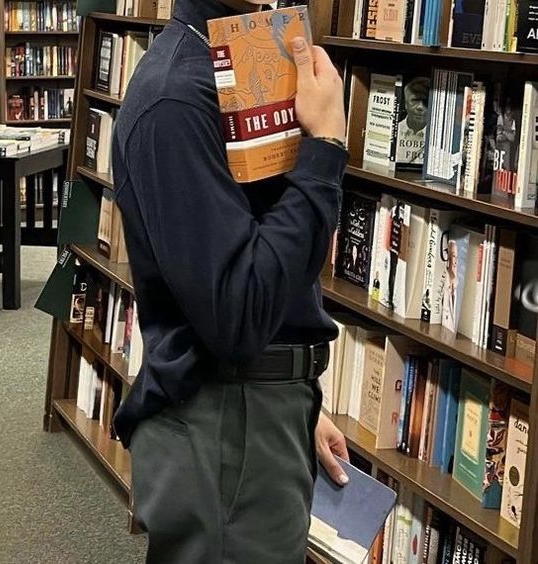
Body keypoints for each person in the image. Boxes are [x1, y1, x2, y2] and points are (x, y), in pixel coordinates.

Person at [111, 0, 350, 562]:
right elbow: (237, 311)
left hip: (256, 409)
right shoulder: (176, 99)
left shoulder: (241, 58)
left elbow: (262, 257)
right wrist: (324, 151)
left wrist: (291, 395)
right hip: (226, 422)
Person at [396, 77, 430, 166]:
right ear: (406, 104)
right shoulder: (394, 132)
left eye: (426, 102)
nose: (420, 107)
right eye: (415, 101)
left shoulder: (438, 137)